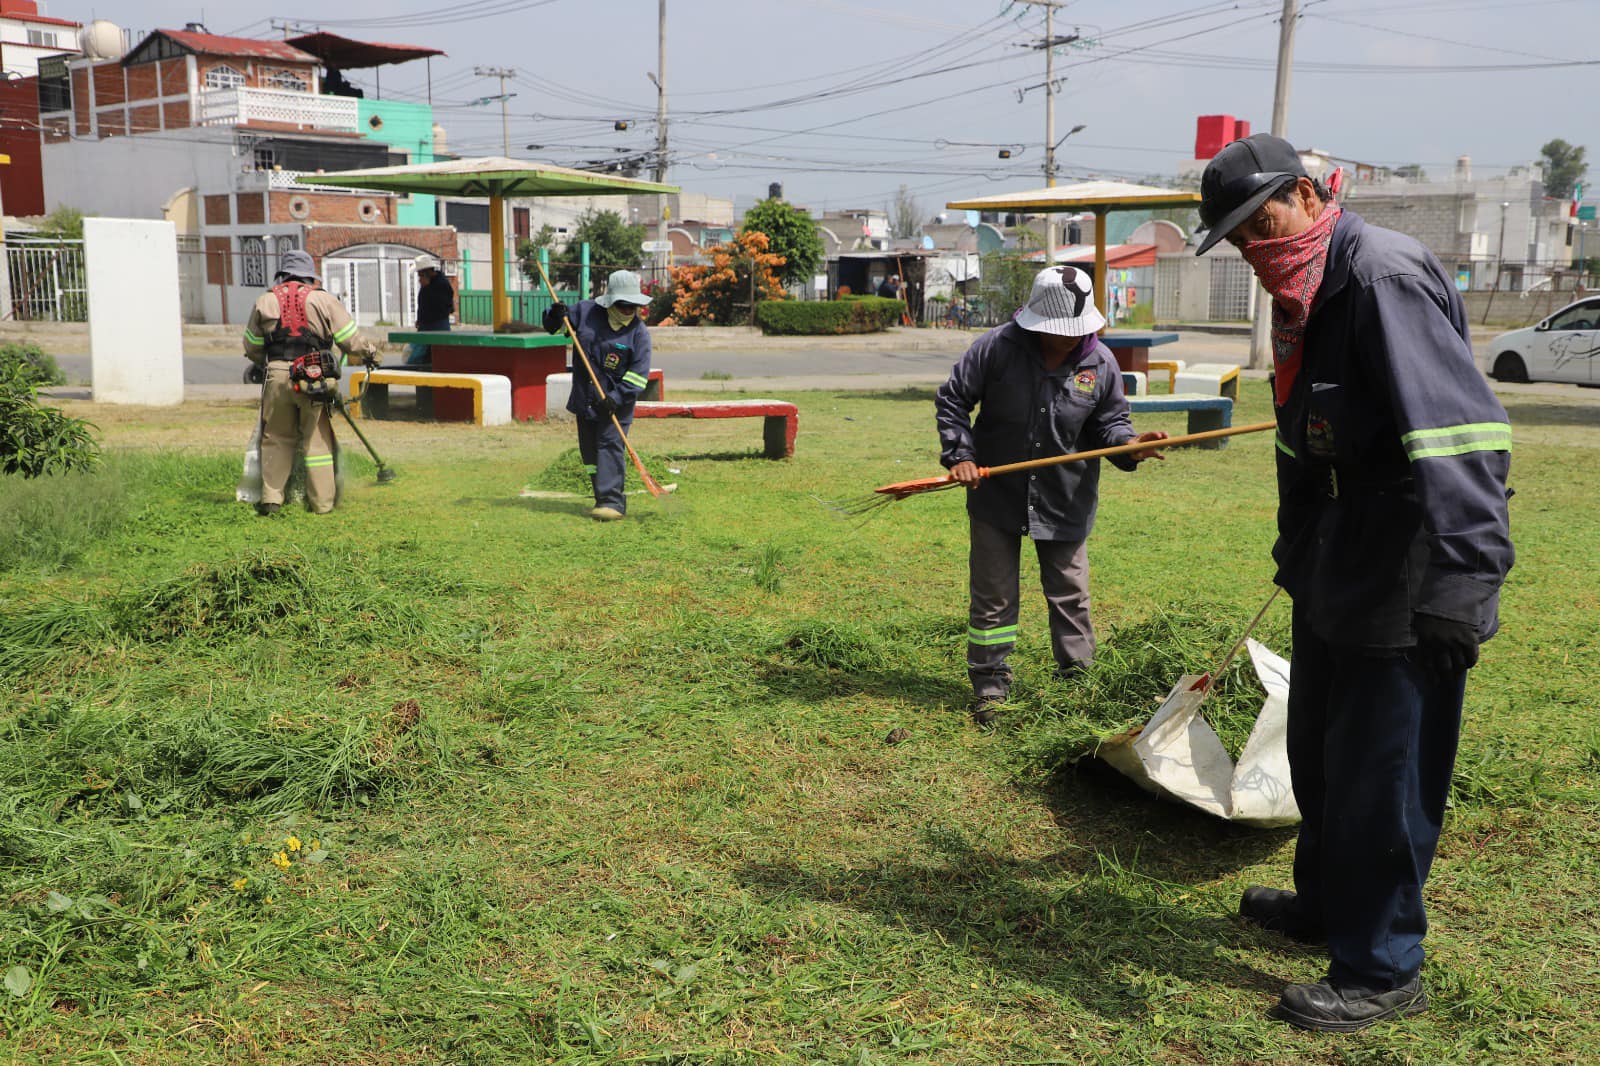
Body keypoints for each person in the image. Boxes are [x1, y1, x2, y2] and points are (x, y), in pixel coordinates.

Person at [1196, 134, 1514, 1032]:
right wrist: (1298, 548)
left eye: (1266, 224)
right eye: (1242, 239)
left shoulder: (1379, 278)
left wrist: (1462, 585)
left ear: (1307, 193)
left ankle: (1381, 967)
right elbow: (1305, 439)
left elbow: (1462, 440)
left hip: (1404, 557)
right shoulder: (1304, 295)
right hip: (1336, 552)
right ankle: (1327, 907)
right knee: (1321, 750)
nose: (1258, 251)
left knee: (1384, 768)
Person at [934, 265, 1168, 724]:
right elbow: (953, 399)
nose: (1064, 341)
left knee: (1069, 594)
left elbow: (1110, 424)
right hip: (996, 494)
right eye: (1055, 333)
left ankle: (1078, 683)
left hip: (1065, 498)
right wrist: (960, 454)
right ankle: (991, 688)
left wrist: (1130, 447)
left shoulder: (1100, 363)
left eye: (1072, 333)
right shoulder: (996, 349)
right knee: (994, 597)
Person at [242, 249, 378, 516]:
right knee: (317, 442)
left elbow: (252, 346)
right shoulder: (323, 300)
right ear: (310, 277)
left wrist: (267, 363)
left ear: (283, 275)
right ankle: (322, 504)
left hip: (277, 374)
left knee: (276, 437)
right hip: (313, 375)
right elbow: (351, 340)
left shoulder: (265, 301)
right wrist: (371, 353)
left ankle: (271, 499)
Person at [542, 269, 653, 522]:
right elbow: (554, 327)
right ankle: (599, 496)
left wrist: (616, 397)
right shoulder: (584, 312)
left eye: (633, 306)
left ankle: (612, 501)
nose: (628, 311)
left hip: (616, 405)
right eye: (623, 305)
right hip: (585, 398)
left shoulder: (639, 334)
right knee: (590, 452)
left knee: (609, 446)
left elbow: (638, 375)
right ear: (610, 301)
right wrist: (555, 316)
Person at [406, 255, 454, 366]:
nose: (419, 279)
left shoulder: (442, 284)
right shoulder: (426, 285)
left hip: (438, 326)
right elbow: (423, 304)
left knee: (438, 357)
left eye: (420, 275)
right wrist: (420, 319)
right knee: (420, 358)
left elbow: (444, 307)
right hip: (425, 326)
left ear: (426, 273)